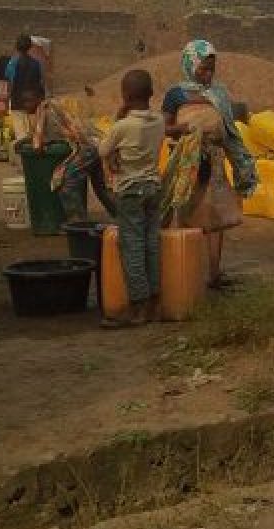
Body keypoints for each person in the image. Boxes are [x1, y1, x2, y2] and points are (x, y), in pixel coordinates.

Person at [161, 40, 256, 289]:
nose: (208, 75)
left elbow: (230, 130)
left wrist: (240, 162)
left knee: (214, 216)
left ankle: (213, 273)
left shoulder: (219, 93)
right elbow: (164, 128)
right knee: (185, 212)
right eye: (203, 69)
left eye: (211, 70)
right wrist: (184, 129)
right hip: (186, 162)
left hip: (213, 161)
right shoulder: (175, 94)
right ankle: (186, 272)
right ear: (190, 65)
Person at [100, 69, 166, 328]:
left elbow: (103, 149)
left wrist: (119, 115)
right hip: (153, 188)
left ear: (125, 97)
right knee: (151, 244)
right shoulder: (159, 121)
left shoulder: (123, 126)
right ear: (151, 94)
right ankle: (154, 304)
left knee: (132, 247)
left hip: (130, 191)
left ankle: (138, 307)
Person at [31, 94, 118, 223]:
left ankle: (78, 225)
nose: (25, 106)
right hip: (97, 143)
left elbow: (37, 146)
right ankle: (127, 219)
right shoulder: (57, 104)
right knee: (102, 188)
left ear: (37, 98)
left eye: (27, 101)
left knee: (67, 182)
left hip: (87, 147)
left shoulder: (44, 109)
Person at [5, 34, 45, 142]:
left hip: (17, 100)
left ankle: (23, 151)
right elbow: (39, 81)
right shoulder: (36, 63)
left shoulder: (12, 63)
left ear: (16, 46)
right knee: (32, 132)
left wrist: (8, 99)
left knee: (21, 133)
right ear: (30, 46)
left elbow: (10, 82)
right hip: (32, 101)